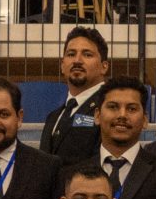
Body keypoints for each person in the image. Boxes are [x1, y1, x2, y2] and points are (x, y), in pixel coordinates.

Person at [39, 26, 113, 161]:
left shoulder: (110, 109)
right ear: (62, 66)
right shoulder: (53, 117)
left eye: (87, 54)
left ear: (104, 67)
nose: (77, 60)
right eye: (71, 54)